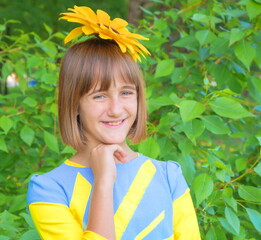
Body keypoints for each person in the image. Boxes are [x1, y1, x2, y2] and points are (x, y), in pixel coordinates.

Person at [27, 5, 201, 240]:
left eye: (126, 93)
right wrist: (103, 182)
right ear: (74, 103)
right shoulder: (50, 189)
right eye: (99, 95)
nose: (116, 109)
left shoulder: (169, 177)